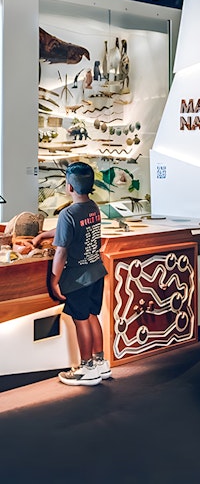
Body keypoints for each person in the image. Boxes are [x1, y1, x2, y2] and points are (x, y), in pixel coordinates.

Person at [49, 161, 111, 386]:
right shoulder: (93, 208)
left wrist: (54, 279)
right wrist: (43, 236)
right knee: (93, 316)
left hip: (77, 277)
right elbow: (74, 228)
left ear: (69, 187)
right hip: (96, 271)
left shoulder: (67, 213)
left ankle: (86, 369)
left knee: (81, 320)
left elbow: (61, 251)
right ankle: (100, 363)